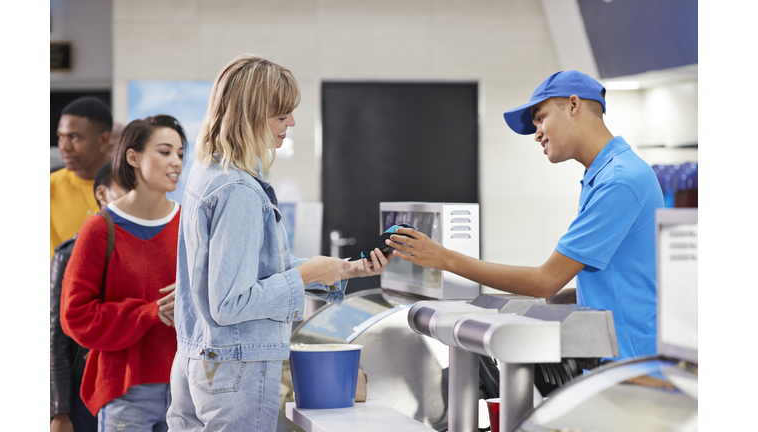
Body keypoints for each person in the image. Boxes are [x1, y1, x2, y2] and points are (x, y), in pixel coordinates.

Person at [167, 54, 393, 432]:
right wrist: (303, 276)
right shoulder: (238, 189)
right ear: (249, 115)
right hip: (235, 369)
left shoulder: (208, 174)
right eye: (281, 114)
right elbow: (230, 303)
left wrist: (343, 270)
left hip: (198, 360)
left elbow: (251, 270)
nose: (291, 122)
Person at [387, 70, 664, 361]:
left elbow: (545, 281)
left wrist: (444, 259)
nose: (537, 134)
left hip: (631, 366)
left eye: (540, 118)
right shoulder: (603, 175)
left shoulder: (620, 180)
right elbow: (616, 279)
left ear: (573, 105)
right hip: (613, 359)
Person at [61, 114, 187, 431]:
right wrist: (148, 312)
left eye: (181, 154)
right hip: (126, 392)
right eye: (164, 151)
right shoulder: (100, 228)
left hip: (188, 389)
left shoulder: (190, 224)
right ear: (133, 156)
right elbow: (75, 316)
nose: (176, 162)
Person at [51, 162, 127, 432]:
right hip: (84, 390)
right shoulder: (70, 253)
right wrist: (59, 410)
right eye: (126, 187)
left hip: (132, 387)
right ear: (102, 195)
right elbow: (57, 339)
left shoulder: (144, 246)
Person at [51, 97, 113, 262]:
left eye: (74, 137)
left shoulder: (129, 189)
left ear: (103, 140)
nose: (64, 146)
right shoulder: (50, 187)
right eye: (61, 136)